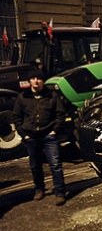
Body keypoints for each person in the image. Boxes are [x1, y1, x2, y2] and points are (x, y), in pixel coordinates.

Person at [12, 69, 67, 205]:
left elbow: (60, 114)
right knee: (35, 166)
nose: (36, 81)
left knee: (55, 165)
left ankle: (60, 192)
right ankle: (39, 189)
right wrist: (24, 135)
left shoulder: (52, 95)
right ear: (29, 81)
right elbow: (16, 117)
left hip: (49, 136)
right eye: (33, 78)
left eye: (39, 79)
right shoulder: (23, 97)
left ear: (43, 81)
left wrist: (54, 131)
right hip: (31, 137)